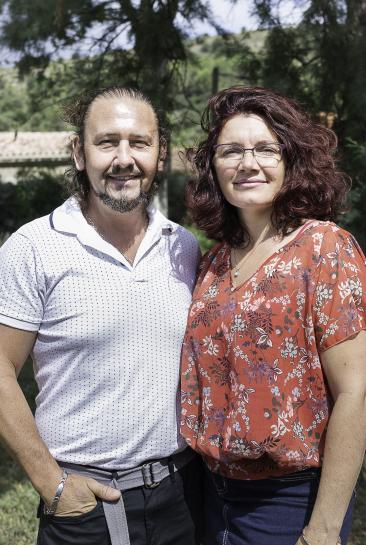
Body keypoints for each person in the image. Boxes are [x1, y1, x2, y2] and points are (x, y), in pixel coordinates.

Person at [0, 86, 202, 545]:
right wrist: (51, 484)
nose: (124, 158)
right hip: (85, 506)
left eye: (140, 143)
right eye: (107, 142)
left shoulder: (182, 246)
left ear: (160, 155)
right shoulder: (34, 248)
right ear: (79, 152)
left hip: (183, 496)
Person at [180, 86, 366, 545]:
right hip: (208, 492)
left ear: (291, 161)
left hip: (288, 500)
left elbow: (356, 394)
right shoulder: (214, 262)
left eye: (266, 149)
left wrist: (322, 528)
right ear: (214, 169)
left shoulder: (324, 248)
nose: (248, 163)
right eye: (231, 151)